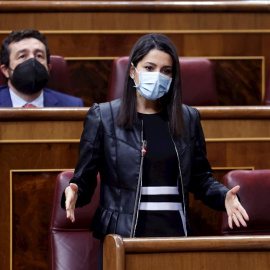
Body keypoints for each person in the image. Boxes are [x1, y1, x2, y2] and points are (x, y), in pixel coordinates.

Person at [63, 33, 249, 269]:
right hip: (124, 239)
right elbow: (85, 180)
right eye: (149, 67)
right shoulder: (104, 117)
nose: (158, 76)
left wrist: (224, 196)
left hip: (174, 237)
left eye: (166, 71)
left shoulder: (188, 118)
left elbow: (201, 180)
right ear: (132, 71)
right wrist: (74, 192)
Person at [0, 29, 84, 107]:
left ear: (48, 68)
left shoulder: (73, 105)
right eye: (22, 56)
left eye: (39, 56)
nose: (32, 60)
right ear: (6, 70)